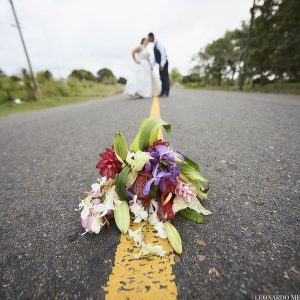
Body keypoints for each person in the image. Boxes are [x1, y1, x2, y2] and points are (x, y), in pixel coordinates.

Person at [148, 32, 170, 97]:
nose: (148, 40)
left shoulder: (159, 44)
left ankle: (166, 92)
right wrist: (152, 65)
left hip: (164, 63)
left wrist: (162, 64)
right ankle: (163, 92)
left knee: (165, 77)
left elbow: (163, 53)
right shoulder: (154, 45)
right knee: (162, 77)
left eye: (149, 38)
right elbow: (155, 57)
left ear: (152, 37)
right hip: (160, 63)